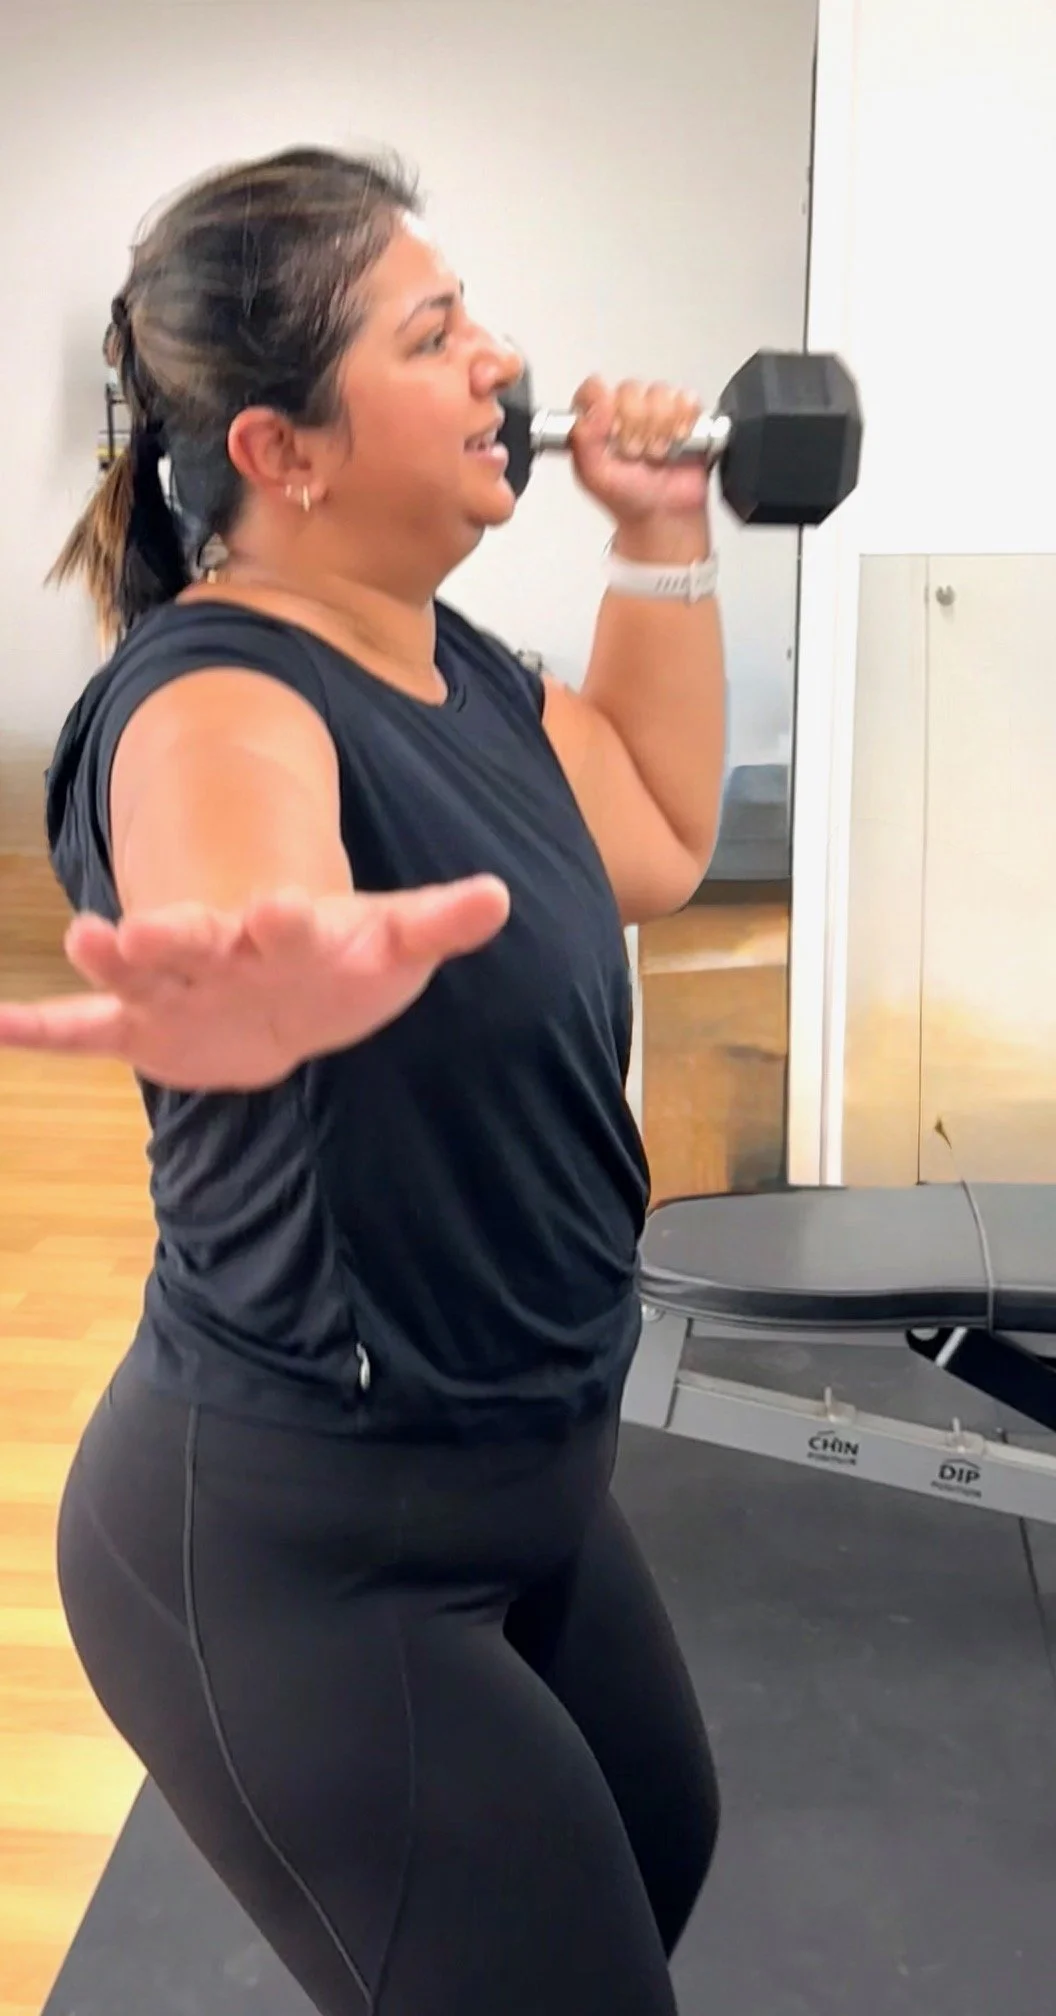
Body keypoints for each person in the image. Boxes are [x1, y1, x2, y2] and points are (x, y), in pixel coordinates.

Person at [0, 146, 726, 2015]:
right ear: (282, 451)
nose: (500, 357)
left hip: (530, 1461)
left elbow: (653, 834)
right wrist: (268, 976)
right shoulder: (210, 691)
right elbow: (233, 857)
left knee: (655, 1852)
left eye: (472, 312)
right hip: (293, 1539)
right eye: (434, 331)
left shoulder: (458, 665)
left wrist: (660, 538)